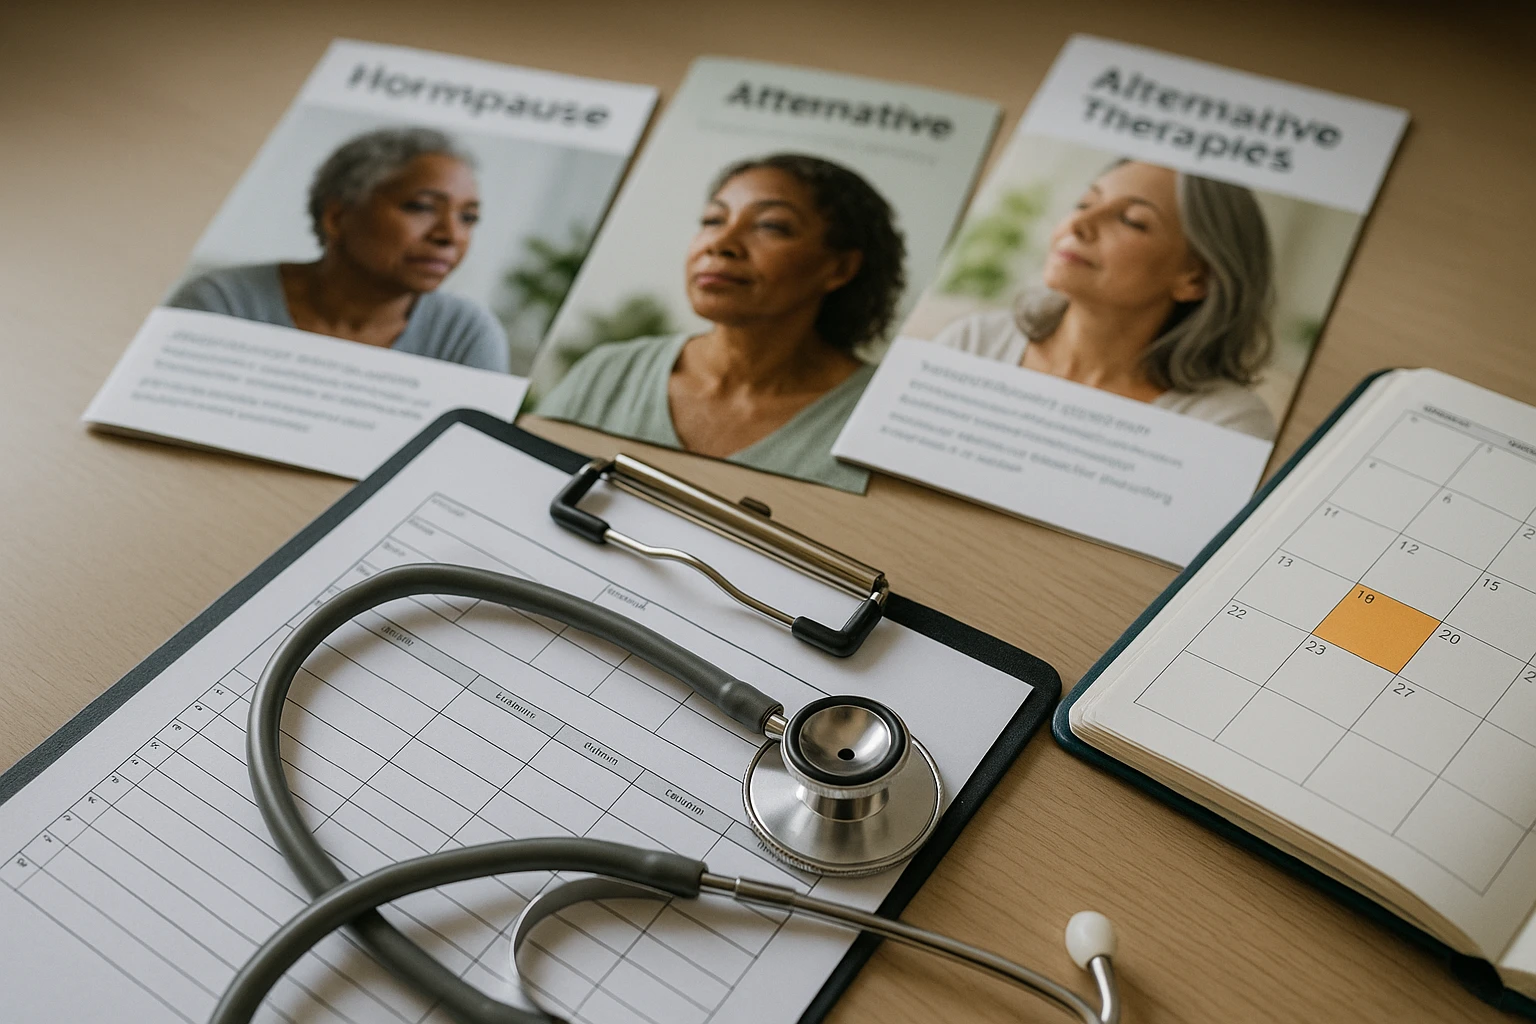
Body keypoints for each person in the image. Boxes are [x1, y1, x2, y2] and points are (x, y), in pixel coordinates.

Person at [536, 153, 905, 491]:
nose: (721, 243)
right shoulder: (611, 371)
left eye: (771, 226)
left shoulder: (885, 421)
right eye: (713, 220)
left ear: (839, 268)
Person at [935, 160, 1278, 440]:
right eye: (1084, 203)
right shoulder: (973, 342)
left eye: (1133, 221)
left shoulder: (1225, 421)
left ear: (1196, 278)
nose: (1080, 223)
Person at [168, 127, 509, 372]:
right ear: (337, 216)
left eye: (468, 217)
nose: (450, 235)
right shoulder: (222, 303)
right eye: (421, 207)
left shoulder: (466, 334)